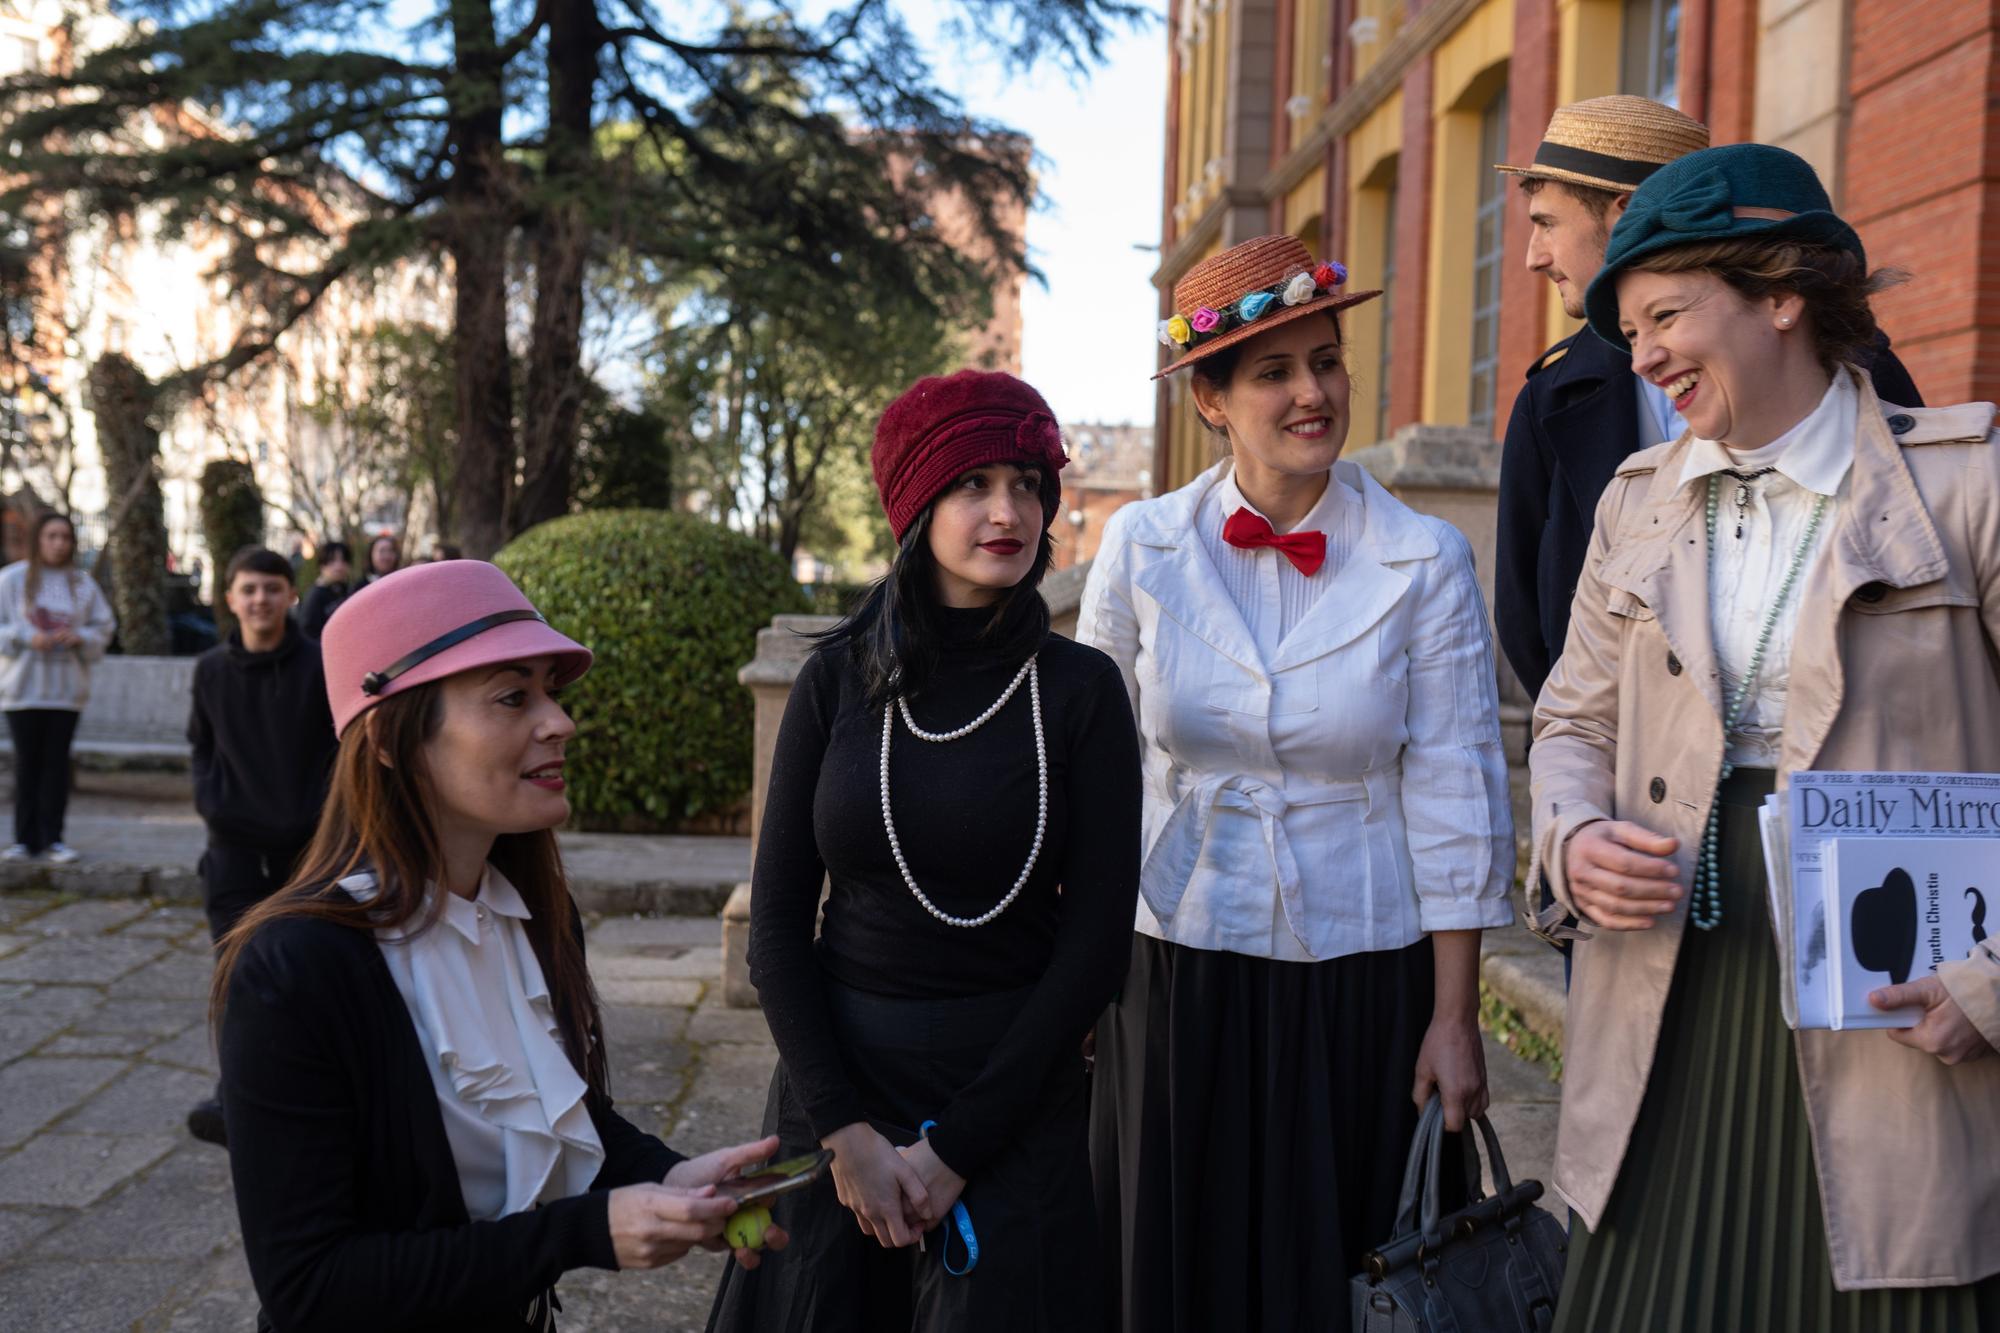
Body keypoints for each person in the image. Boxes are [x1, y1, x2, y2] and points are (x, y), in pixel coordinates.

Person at [1530, 143, 2000, 1329]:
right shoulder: (1633, 498)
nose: (1641, 357)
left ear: (1780, 294)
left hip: (1903, 1013)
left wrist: (1991, 983)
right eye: (1629, 329)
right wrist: (1571, 833)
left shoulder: (1965, 485)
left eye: (1666, 315)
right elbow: (1568, 719)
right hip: (1663, 975)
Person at [1079, 234, 1515, 1333]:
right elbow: (1095, 775)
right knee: (1176, 1262)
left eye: (1324, 360)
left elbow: (1457, 790)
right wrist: (1072, 978)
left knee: (1348, 1272)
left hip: (1363, 975)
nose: (1311, 392)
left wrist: (1453, 1016)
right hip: (1170, 964)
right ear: (1211, 400)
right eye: (1272, 372)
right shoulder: (1138, 545)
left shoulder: (1423, 557)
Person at [211, 559, 788, 1330]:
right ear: (388, 737)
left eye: (550, 691)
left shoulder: (535, 918)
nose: (560, 721)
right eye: (514, 696)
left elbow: (565, 1115)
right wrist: (583, 1232)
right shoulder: (293, 968)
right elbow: (311, 1286)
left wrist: (670, 1175)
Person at [709, 370, 1141, 1333]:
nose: (1010, 510)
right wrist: (842, 1131)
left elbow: (1095, 948)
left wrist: (957, 1149)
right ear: (918, 505)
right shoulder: (836, 681)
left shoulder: (1081, 691)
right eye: (974, 483)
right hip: (841, 1089)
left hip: (1013, 1098)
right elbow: (776, 924)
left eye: (1028, 483)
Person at [1494, 95, 1925, 704]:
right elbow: (1528, 623)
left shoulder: (1867, 370)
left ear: (1623, 213)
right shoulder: (1549, 398)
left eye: (1546, 224)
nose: (1534, 256)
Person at [184, 546, 340, 1146]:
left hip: (311, 852)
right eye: (248, 589)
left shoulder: (321, 665)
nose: (260, 600)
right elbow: (201, 745)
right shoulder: (210, 672)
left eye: (272, 588)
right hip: (234, 851)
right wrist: (212, 801)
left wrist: (327, 820)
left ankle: (317, 1090)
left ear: (290, 594)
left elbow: (341, 751)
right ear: (230, 598)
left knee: (314, 973)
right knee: (238, 972)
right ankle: (236, 1098)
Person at [0, 512, 116, 864]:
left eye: (65, 537)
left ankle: (54, 839)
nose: (58, 543)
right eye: (51, 535)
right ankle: (24, 839)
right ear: (38, 539)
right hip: (23, 689)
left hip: (66, 691)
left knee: (55, 764)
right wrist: (25, 636)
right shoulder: (12, 580)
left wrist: (79, 636)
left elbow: (104, 627)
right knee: (27, 764)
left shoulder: (82, 585)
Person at [298, 539, 353, 640]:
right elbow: (309, 635)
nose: (339, 566)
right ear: (322, 565)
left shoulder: (344, 589)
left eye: (344, 560)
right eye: (332, 561)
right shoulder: (314, 597)